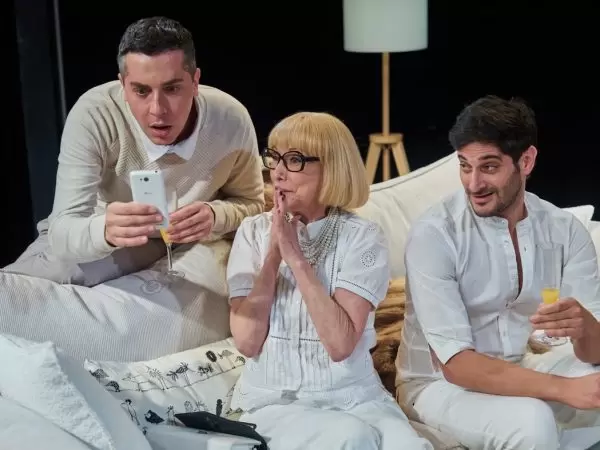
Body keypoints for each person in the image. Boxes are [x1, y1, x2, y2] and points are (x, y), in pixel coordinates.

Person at [395, 95, 600, 449]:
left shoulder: (564, 231)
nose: (473, 184)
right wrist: (564, 389)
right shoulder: (435, 234)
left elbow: (593, 352)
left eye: (488, 167)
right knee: (532, 423)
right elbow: (456, 365)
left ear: (526, 161)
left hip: (524, 364)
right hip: (438, 385)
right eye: (465, 166)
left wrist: (586, 327)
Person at [3, 16, 264, 286]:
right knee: (23, 290)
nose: (157, 110)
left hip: (192, 243)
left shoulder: (230, 119)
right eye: (141, 91)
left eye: (172, 88)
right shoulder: (95, 114)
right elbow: (63, 230)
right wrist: (105, 230)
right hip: (107, 236)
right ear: (123, 86)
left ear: (195, 81)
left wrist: (215, 215)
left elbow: (254, 203)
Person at [226, 112, 433, 450]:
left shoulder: (362, 237)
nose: (277, 172)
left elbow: (339, 344)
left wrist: (296, 259)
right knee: (350, 437)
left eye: (294, 160)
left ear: (332, 168)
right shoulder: (252, 233)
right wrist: (274, 255)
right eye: (274, 157)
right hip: (273, 401)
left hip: (354, 396)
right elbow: (247, 342)